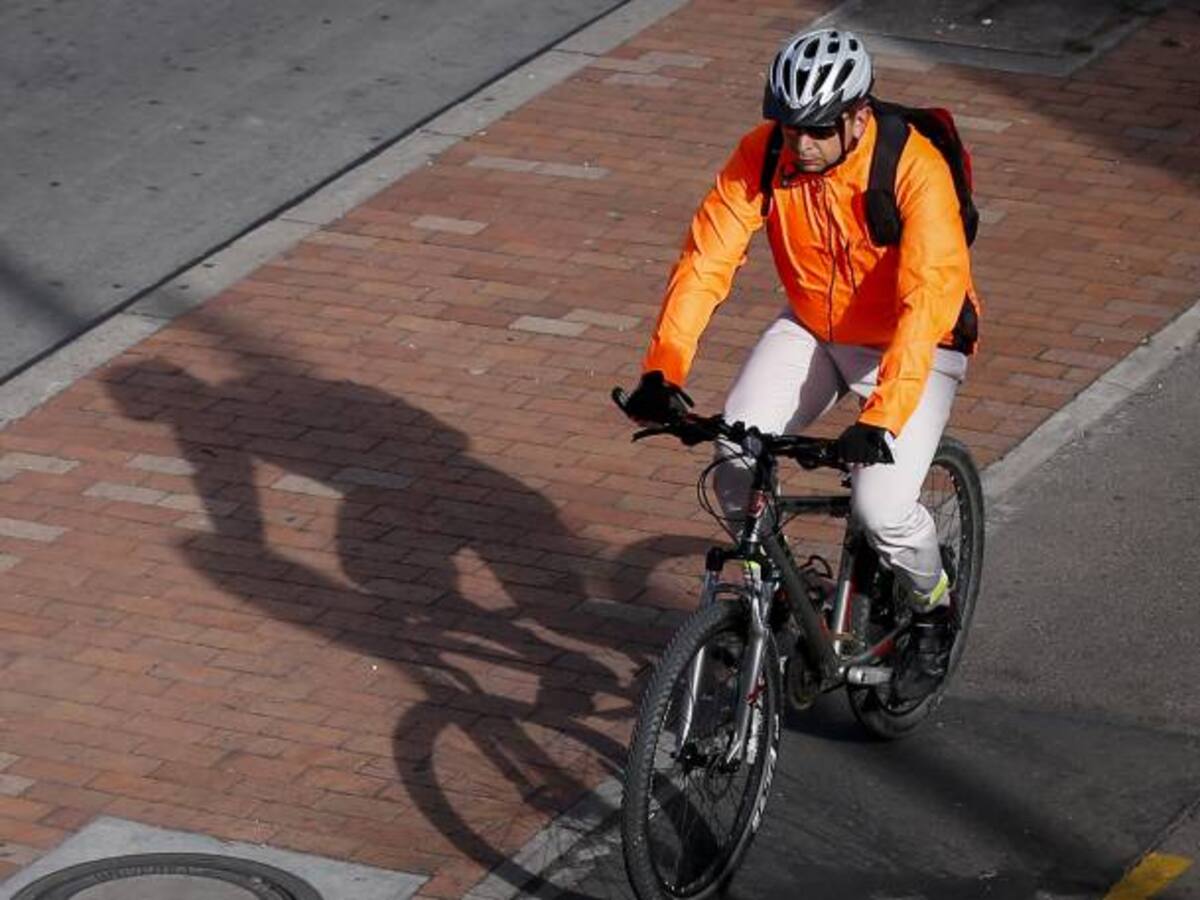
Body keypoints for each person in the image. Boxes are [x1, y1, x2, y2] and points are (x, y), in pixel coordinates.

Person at [619, 27, 982, 690]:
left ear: (858, 116)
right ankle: (770, 606)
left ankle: (933, 606)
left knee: (881, 509)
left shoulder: (911, 166)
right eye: (789, 129)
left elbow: (929, 296)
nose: (800, 145)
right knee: (734, 457)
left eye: (816, 131)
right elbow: (707, 259)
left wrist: (883, 416)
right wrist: (662, 372)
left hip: (917, 343)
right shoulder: (763, 158)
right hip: (816, 327)